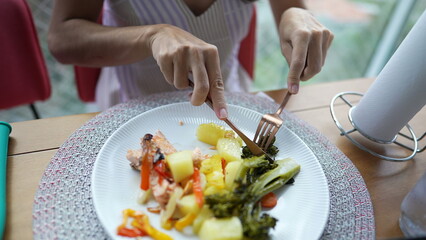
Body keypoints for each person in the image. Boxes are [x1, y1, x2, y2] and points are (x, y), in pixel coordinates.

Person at [48, 0, 333, 119]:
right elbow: (62, 39)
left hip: (229, 98)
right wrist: (152, 36)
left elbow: (290, 4)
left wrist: (294, 14)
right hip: (129, 100)